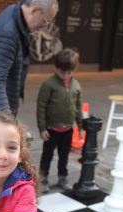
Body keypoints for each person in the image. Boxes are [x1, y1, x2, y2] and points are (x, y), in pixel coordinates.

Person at [0, 0, 59, 116]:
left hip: (4, 92)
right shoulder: (9, 33)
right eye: (45, 21)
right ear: (34, 10)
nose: (44, 27)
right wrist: (8, 120)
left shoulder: (15, 13)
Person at [36, 48, 82, 193]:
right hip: (51, 129)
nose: (66, 76)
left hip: (68, 129)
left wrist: (80, 127)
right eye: (62, 72)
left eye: (69, 72)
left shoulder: (76, 85)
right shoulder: (48, 85)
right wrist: (42, 128)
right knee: (47, 156)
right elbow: (41, 107)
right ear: (56, 68)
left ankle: (63, 177)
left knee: (64, 156)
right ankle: (42, 179)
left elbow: (78, 107)